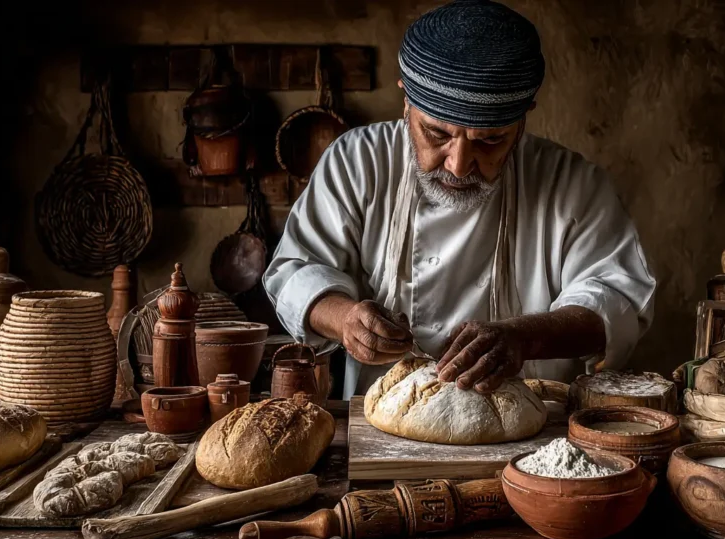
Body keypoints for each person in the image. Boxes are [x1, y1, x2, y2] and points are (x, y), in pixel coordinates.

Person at [263, 0, 656, 399]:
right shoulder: (358, 160)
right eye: (436, 135)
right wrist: (346, 318)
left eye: (489, 141)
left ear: (522, 120)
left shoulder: (572, 183)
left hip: (536, 430)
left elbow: (617, 297)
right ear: (406, 101)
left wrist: (525, 338)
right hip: (382, 423)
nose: (458, 165)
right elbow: (297, 271)